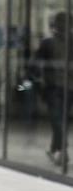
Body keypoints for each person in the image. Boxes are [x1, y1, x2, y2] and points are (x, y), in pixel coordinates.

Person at [31, 11, 72, 165]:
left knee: (57, 119)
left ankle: (62, 149)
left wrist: (30, 78)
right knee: (61, 119)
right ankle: (55, 149)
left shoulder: (48, 41)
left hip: (54, 85)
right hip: (69, 87)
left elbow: (35, 62)